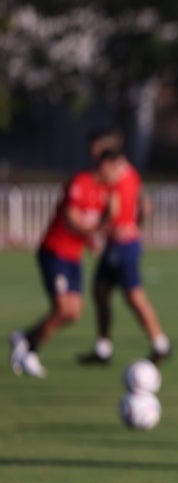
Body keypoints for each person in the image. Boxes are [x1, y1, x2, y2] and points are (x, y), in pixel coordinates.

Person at [8, 135, 121, 378]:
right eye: (115, 168)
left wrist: (93, 238)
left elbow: (89, 225)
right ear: (104, 165)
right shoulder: (81, 182)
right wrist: (102, 227)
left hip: (73, 256)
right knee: (62, 308)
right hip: (54, 251)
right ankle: (29, 348)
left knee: (73, 313)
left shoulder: (105, 193)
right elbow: (72, 222)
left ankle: (25, 339)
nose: (118, 173)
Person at [77, 128, 171, 366]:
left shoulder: (115, 176)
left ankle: (160, 343)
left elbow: (115, 211)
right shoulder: (130, 173)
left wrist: (97, 232)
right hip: (120, 244)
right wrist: (136, 225)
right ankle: (104, 347)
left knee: (134, 296)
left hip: (122, 245)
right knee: (100, 291)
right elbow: (145, 205)